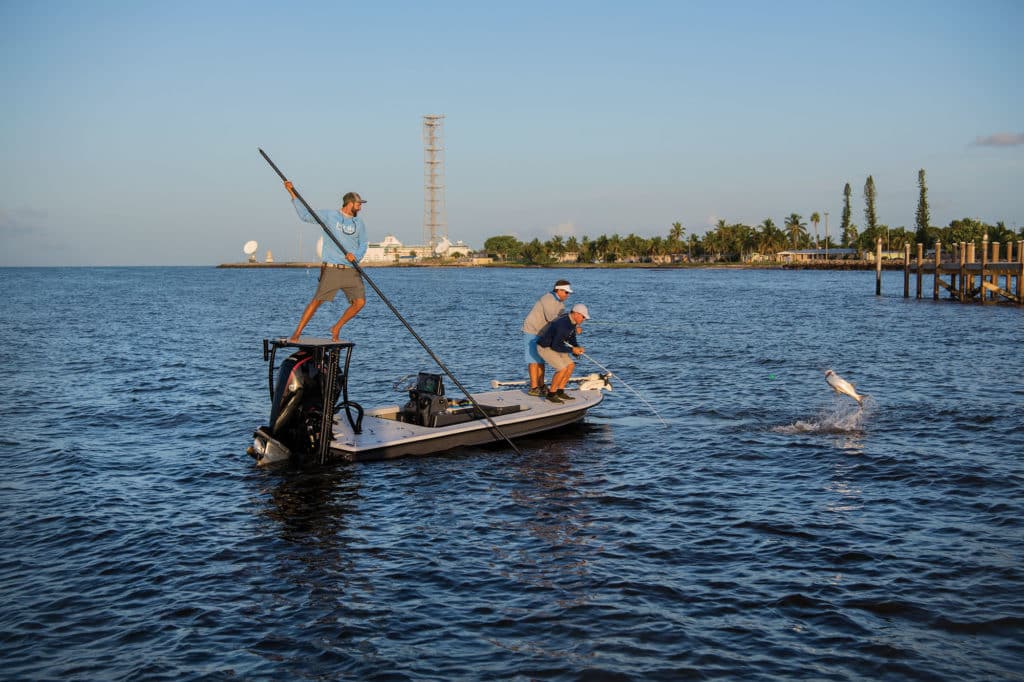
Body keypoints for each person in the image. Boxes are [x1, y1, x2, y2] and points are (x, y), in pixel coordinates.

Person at [283, 181, 368, 342]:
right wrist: (292, 193)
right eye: (358, 204)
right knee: (317, 302)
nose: (360, 207)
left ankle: (336, 327)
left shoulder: (359, 223)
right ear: (350, 204)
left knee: (360, 302)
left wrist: (355, 256)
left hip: (351, 269)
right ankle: (297, 333)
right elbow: (306, 215)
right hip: (332, 269)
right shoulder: (330, 216)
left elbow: (363, 243)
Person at [522, 279, 573, 396]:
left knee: (540, 360)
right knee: (533, 360)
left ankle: (540, 385)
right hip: (532, 330)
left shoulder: (561, 304)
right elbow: (552, 319)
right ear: (559, 290)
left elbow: (559, 322)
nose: (568, 295)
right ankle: (533, 387)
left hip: (543, 332)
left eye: (568, 293)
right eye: (566, 292)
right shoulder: (548, 298)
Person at [536, 303, 591, 403]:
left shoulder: (572, 322)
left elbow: (571, 337)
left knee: (571, 366)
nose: (583, 319)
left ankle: (560, 391)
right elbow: (555, 346)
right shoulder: (563, 324)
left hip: (556, 346)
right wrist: (572, 350)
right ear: (576, 314)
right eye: (583, 317)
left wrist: (576, 347)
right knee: (561, 369)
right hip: (545, 347)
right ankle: (551, 395)